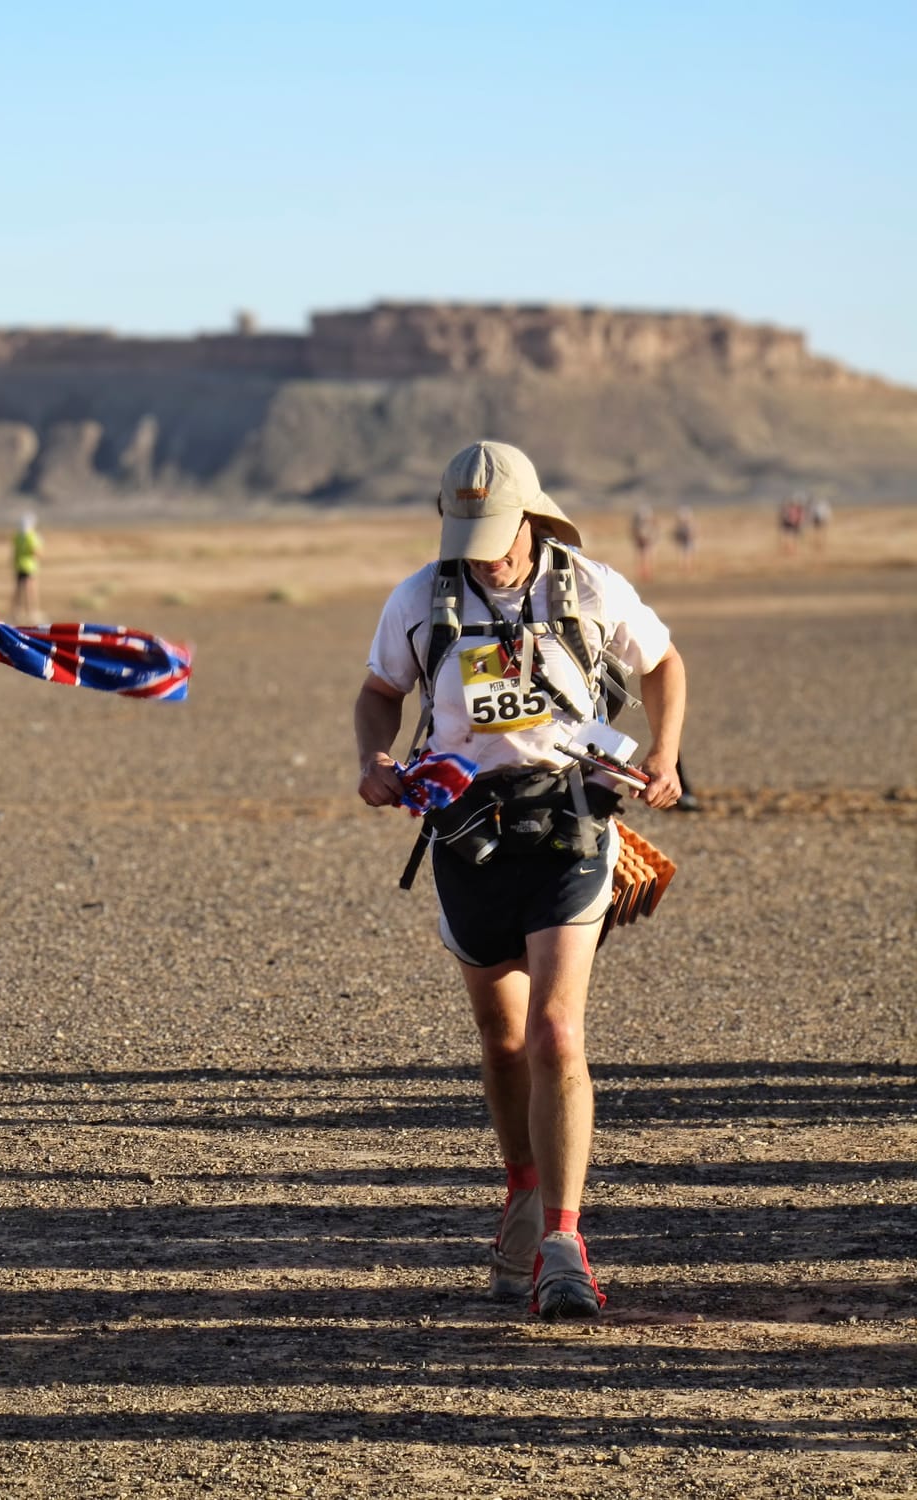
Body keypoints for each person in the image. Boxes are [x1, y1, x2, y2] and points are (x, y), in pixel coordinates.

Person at [352, 441, 686, 1320]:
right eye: (470, 536)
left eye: (496, 535)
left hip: (572, 823)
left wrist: (665, 752)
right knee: (503, 1045)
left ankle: (564, 1243)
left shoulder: (589, 587)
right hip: (468, 836)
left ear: (534, 518)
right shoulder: (420, 599)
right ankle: (523, 1192)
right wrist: (372, 757)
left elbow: (662, 663)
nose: (484, 551)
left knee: (554, 1032)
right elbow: (379, 690)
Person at [11, 511, 43, 621]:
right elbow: (35, 551)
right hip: (30, 566)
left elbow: (15, 551)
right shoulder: (31, 536)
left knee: (19, 590)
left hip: (19, 564)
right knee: (31, 590)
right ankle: (32, 612)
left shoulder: (18, 536)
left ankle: (17, 612)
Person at [629, 505, 657, 582]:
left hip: (647, 542)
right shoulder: (639, 525)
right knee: (642, 558)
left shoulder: (645, 525)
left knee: (646, 558)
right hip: (641, 542)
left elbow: (652, 533)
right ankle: (642, 573)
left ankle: (647, 573)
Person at [672, 505, 697, 575]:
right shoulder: (686, 523)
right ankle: (685, 569)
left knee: (685, 554)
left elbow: (693, 532)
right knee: (685, 554)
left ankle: (685, 569)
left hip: (686, 539)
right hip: (684, 539)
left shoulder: (685, 523)